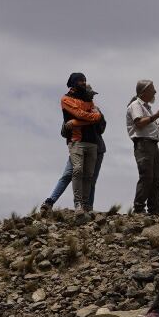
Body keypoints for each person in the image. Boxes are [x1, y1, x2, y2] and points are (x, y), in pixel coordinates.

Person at [126, 79, 159, 216]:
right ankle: (139, 208)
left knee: (155, 178)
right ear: (144, 92)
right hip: (143, 144)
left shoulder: (146, 107)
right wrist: (156, 116)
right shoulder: (135, 105)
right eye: (152, 89)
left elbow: (148, 128)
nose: (155, 92)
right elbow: (139, 124)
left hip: (151, 144)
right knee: (147, 176)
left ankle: (154, 209)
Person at [60, 72, 107, 212]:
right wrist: (91, 117)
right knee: (77, 170)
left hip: (92, 142)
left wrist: (76, 122)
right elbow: (82, 114)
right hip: (77, 140)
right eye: (81, 80)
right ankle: (78, 203)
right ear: (74, 82)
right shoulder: (66, 99)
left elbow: (98, 118)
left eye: (85, 80)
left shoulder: (88, 100)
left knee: (89, 175)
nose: (84, 83)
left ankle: (86, 204)